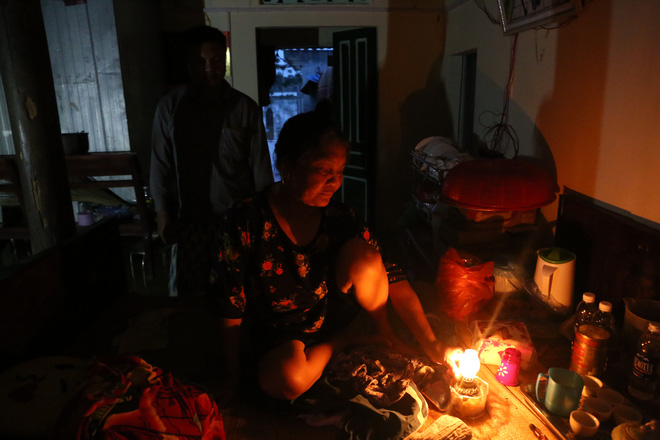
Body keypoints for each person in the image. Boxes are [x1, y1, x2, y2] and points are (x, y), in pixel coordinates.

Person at [209, 111, 461, 406]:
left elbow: (389, 274)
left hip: (330, 316)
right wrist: (231, 377)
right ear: (287, 166)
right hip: (281, 337)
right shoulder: (246, 219)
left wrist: (433, 344)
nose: (334, 182)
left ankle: (382, 333)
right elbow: (229, 304)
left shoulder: (340, 217)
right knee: (287, 379)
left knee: (365, 257)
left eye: (340, 171)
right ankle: (348, 339)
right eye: (323, 170)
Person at [150, 25, 273, 297]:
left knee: (237, 293)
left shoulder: (244, 108)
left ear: (225, 59)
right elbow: (160, 165)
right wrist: (162, 214)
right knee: (188, 296)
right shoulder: (170, 108)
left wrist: (264, 220)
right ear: (188, 63)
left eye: (216, 60)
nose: (209, 69)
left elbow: (261, 168)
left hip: (235, 221)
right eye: (200, 61)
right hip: (188, 221)